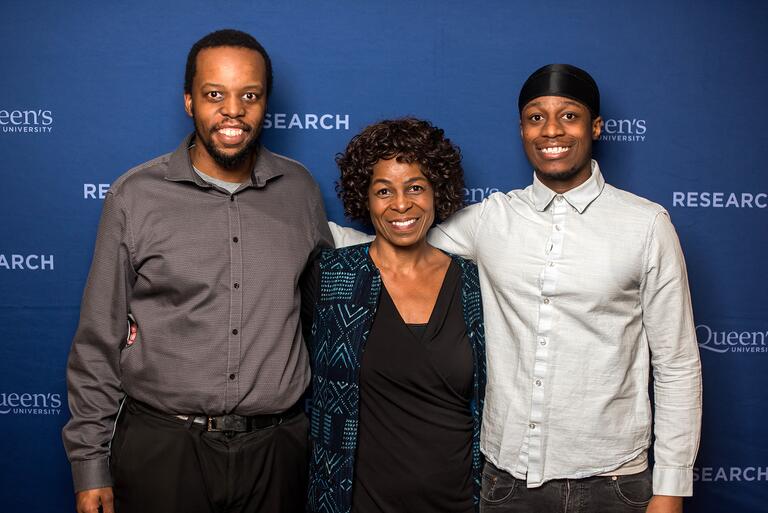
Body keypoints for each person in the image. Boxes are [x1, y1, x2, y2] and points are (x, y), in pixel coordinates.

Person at [331, 65, 701, 513]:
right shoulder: (492, 219)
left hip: (615, 481)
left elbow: (677, 365)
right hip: (508, 483)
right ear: (522, 129)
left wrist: (671, 489)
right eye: (536, 117)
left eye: (569, 116)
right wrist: (296, 227)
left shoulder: (646, 226)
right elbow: (398, 238)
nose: (552, 131)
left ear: (596, 127)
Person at [62, 29, 332, 513]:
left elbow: (324, 316)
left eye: (249, 95)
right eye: (214, 95)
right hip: (163, 450)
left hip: (276, 452)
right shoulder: (135, 195)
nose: (234, 110)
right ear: (189, 101)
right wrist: (90, 466)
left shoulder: (300, 190)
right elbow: (98, 341)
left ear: (265, 102)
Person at [303, 118, 487, 513]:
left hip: (459, 501)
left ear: (438, 191)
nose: (401, 205)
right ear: (364, 199)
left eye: (415, 187)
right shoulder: (333, 277)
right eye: (383, 190)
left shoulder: (473, 282)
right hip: (357, 501)